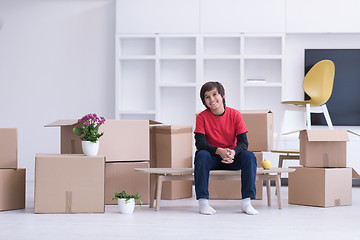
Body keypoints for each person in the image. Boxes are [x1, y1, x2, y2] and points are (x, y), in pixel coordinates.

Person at [194, 81, 258, 215]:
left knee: (249, 156)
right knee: (201, 155)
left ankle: (247, 203)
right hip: (212, 158)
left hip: (231, 157)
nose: (212, 99)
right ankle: (203, 203)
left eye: (214, 94)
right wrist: (219, 151)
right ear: (204, 101)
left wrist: (233, 152)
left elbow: (244, 143)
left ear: (222, 95)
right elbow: (200, 143)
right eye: (207, 97)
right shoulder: (201, 117)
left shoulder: (235, 114)